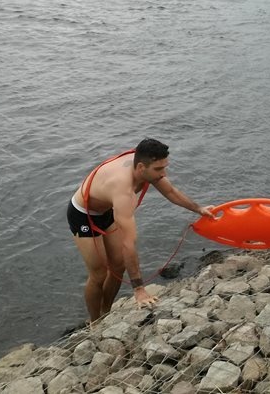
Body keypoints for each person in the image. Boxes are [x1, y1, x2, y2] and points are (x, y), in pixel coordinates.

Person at [66, 138, 214, 323]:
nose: (164, 173)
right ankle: (95, 322)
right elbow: (129, 243)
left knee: (118, 268)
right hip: (83, 214)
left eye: (164, 167)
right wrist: (138, 289)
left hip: (107, 210)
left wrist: (198, 209)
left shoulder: (145, 168)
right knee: (99, 274)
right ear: (141, 168)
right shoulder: (124, 189)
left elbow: (170, 192)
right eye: (159, 169)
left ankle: (106, 311)